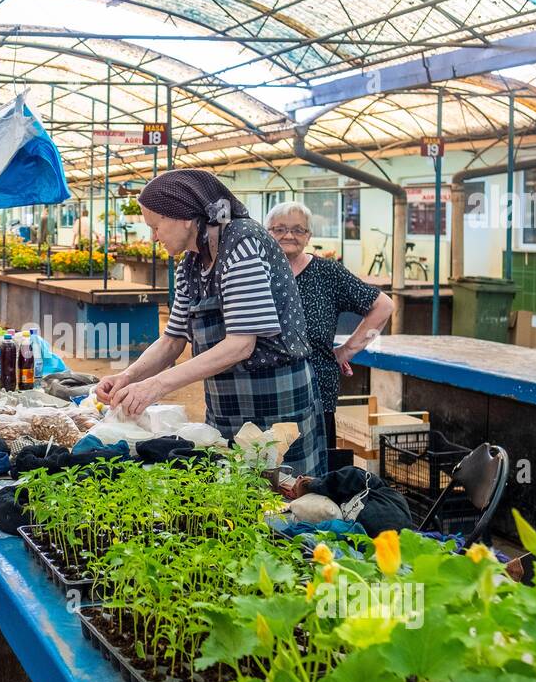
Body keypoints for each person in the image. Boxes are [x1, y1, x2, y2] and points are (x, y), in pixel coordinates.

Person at [94, 169, 327, 476]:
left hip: (274, 399)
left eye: (156, 225)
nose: (154, 236)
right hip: (225, 402)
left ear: (185, 217)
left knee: (282, 492)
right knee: (232, 490)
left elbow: (241, 345)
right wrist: (129, 376)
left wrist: (157, 385)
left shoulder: (242, 243)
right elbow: (172, 340)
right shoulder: (190, 265)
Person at [266, 201, 394, 448]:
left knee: (315, 472)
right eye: (279, 229)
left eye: (298, 230)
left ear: (309, 236)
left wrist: (346, 351)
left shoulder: (327, 273)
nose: (289, 235)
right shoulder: (257, 272)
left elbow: (383, 306)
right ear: (266, 232)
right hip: (268, 390)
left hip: (317, 392)